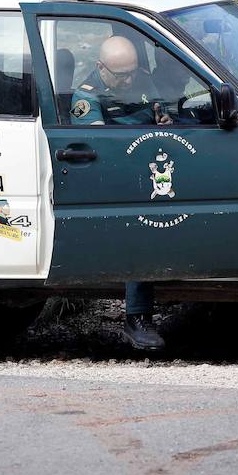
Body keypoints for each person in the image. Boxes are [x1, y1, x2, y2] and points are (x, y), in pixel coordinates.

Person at [70, 35, 172, 352]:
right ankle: (137, 317)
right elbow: (104, 150)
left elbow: (160, 113)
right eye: (121, 75)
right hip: (111, 183)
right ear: (101, 67)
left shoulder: (140, 80)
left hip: (149, 170)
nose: (129, 80)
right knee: (141, 227)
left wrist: (165, 120)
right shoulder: (86, 98)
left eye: (132, 72)